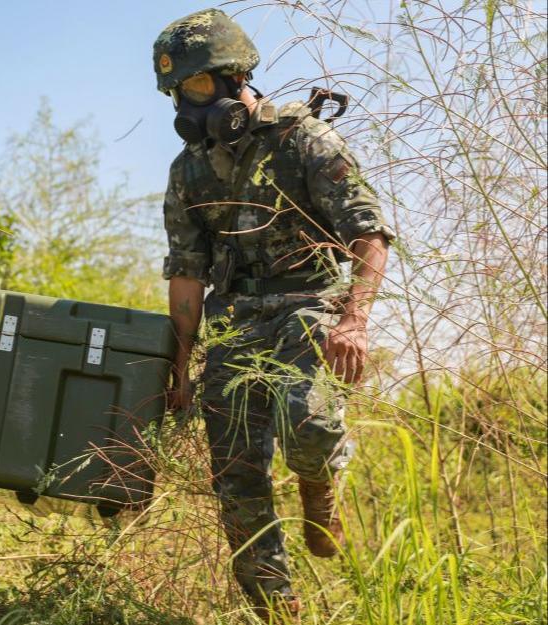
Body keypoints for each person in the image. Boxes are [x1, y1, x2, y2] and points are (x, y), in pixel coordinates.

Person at [152, 9, 392, 621]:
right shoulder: (187, 172)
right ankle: (278, 610)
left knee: (307, 426)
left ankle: (317, 482)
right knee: (236, 478)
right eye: (179, 93)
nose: (189, 103)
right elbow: (187, 273)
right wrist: (180, 365)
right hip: (232, 316)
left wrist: (353, 321)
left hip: (307, 302)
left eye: (199, 87)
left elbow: (369, 236)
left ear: (236, 77)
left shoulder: (303, 138)